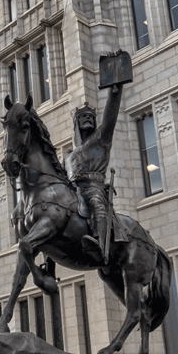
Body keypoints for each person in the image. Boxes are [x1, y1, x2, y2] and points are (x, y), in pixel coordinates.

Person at [68, 81, 124, 264]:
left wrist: (114, 93)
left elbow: (110, 118)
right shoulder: (69, 156)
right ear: (76, 122)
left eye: (91, 116)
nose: (88, 119)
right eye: (83, 116)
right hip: (74, 189)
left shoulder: (101, 139)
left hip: (94, 187)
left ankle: (101, 245)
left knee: (97, 205)